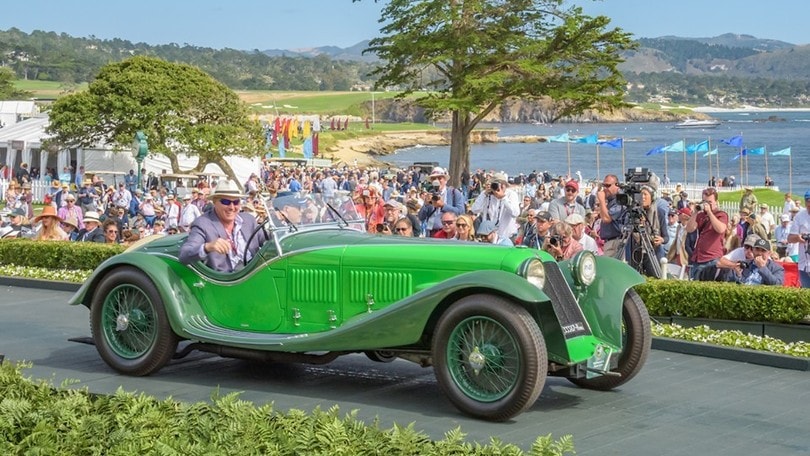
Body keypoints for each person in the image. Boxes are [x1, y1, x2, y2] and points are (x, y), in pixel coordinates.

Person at [179, 180, 267, 273]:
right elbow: (184, 255)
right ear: (214, 201)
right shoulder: (202, 224)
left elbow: (268, 241)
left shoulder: (249, 220)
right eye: (226, 202)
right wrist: (207, 247)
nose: (232, 207)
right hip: (224, 283)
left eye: (236, 202)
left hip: (254, 276)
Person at [686, 187, 728, 281]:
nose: (707, 204)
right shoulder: (701, 215)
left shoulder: (721, 215)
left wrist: (709, 213)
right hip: (698, 257)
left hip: (711, 258)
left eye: (709, 202)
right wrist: (695, 213)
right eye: (704, 201)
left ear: (716, 201)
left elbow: (720, 229)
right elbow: (689, 229)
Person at [470, 172, 520, 241]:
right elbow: (474, 209)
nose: (497, 188)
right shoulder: (487, 195)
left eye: (500, 185)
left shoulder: (511, 195)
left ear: (505, 185)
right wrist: (484, 194)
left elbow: (515, 213)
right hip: (489, 237)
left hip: (506, 236)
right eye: (495, 185)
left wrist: (503, 198)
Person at [417, 167, 465, 236]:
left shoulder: (453, 193)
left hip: (447, 232)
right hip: (431, 232)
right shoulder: (430, 194)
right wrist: (426, 204)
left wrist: (443, 206)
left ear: (445, 180)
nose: (437, 181)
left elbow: (460, 212)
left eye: (440, 178)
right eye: (434, 179)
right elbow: (421, 217)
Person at [596, 174, 626, 258]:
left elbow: (606, 218)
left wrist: (601, 200)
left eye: (608, 185)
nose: (605, 188)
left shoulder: (620, 199)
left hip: (617, 241)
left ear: (617, 185)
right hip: (610, 241)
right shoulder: (611, 200)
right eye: (604, 185)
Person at [787, 190, 810, 288]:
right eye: (807, 201)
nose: (809, 204)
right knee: (805, 295)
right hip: (804, 264)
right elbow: (790, 238)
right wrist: (798, 237)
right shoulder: (799, 216)